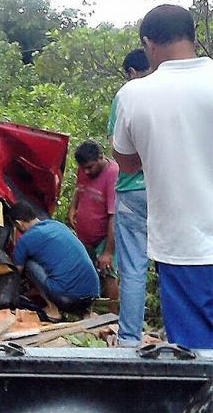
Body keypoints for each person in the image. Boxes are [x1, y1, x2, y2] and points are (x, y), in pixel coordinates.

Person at [113, 4, 213, 349]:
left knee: (197, 356)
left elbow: (126, 163)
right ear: (194, 37)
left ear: (148, 44)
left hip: (184, 248)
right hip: (186, 246)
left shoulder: (134, 94)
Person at [108, 49, 151, 347]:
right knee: (179, 262)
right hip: (167, 189)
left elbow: (118, 152)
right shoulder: (172, 92)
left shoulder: (128, 95)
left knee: (134, 268)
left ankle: (129, 340)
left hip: (132, 192)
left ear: (131, 72)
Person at [9, 200, 100, 321]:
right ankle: (86, 313)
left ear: (19, 223)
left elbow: (17, 272)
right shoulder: (56, 225)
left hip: (67, 299)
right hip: (91, 295)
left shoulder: (25, 240)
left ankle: (53, 310)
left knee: (29, 264)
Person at [67, 139, 119, 311]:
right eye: (83, 168)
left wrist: (108, 252)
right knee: (87, 273)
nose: (86, 171)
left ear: (100, 157)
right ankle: (90, 311)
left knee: (107, 274)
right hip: (85, 236)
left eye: (90, 167)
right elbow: (79, 188)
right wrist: (73, 207)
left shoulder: (112, 175)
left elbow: (114, 216)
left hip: (104, 236)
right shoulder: (84, 169)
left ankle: (112, 318)